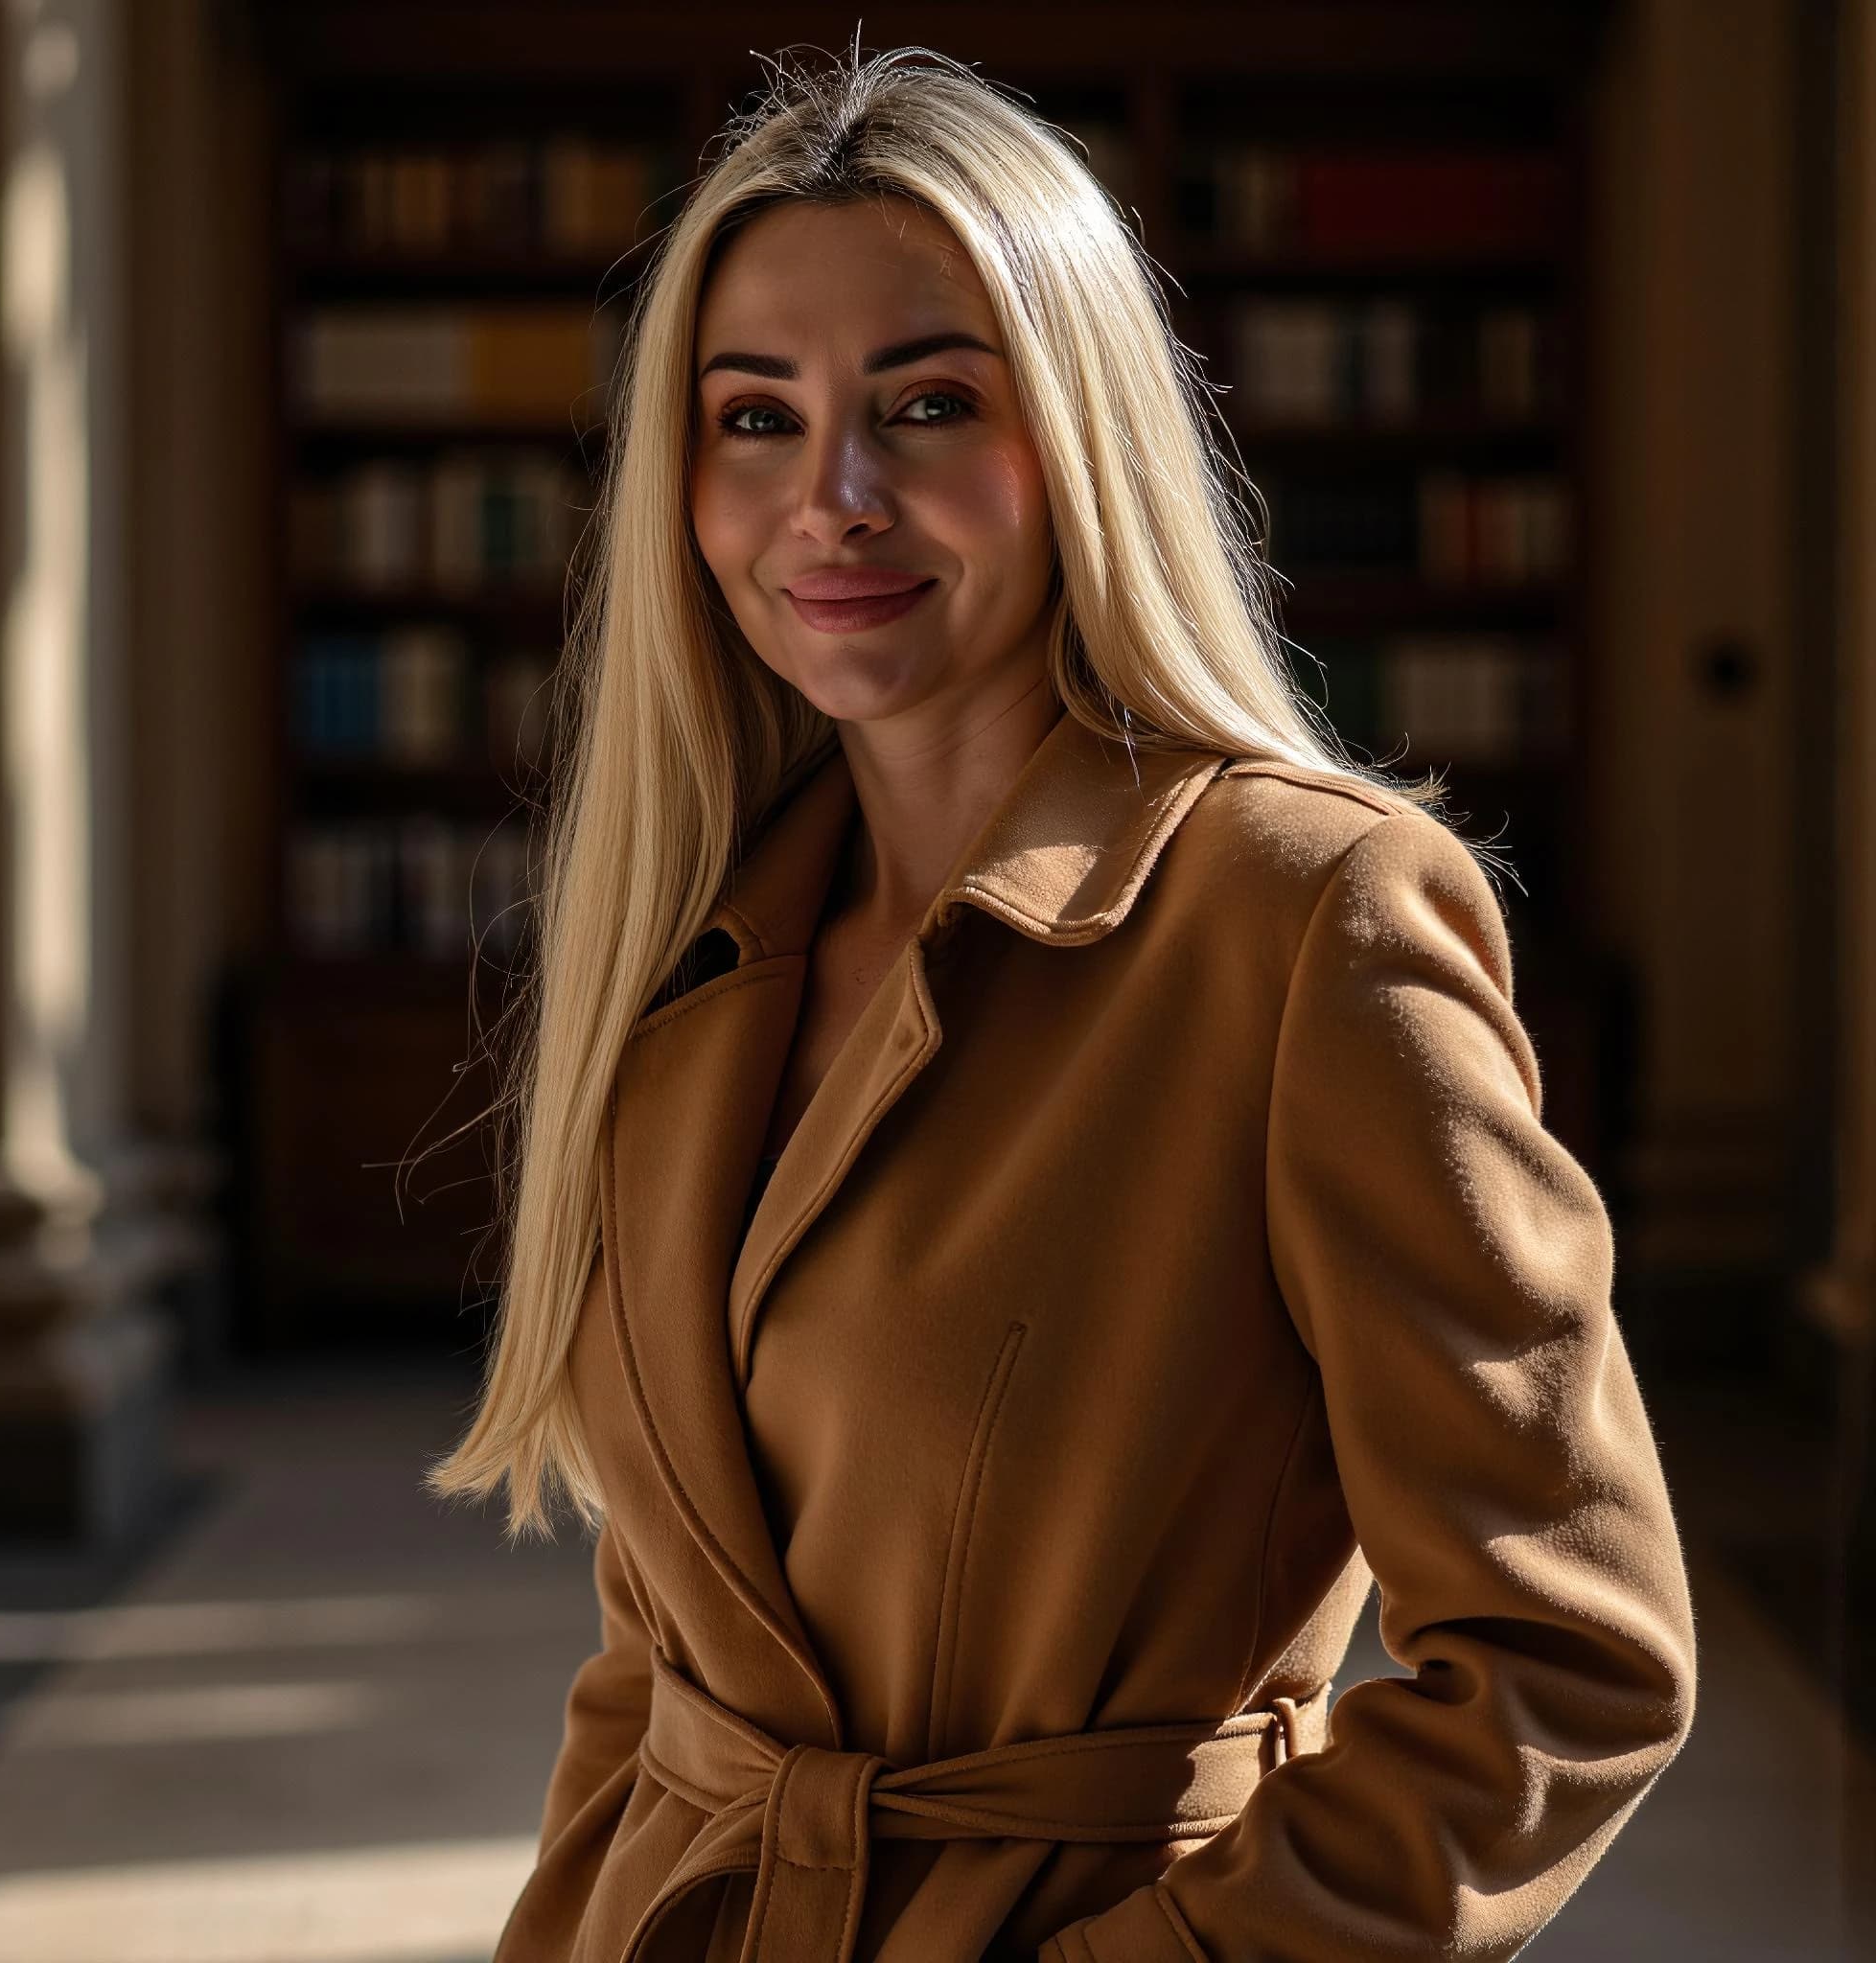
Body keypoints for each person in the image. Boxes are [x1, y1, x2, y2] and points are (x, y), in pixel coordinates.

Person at [428, 42, 1697, 1963]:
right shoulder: (688, 950)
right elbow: (666, 1659)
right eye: (751, 416)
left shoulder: (1304, 918)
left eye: (928, 403)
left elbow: (1570, 1668)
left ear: (1083, 434)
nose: (830, 496)